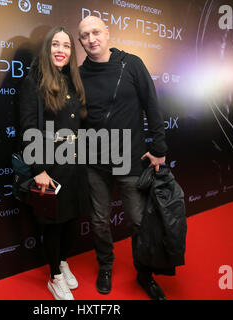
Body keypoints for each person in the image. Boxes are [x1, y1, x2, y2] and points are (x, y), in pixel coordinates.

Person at [78, 16, 168, 300]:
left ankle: (145, 273)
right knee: (99, 220)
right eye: (84, 35)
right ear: (80, 42)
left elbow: (152, 105)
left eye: (96, 32)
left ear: (107, 33)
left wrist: (160, 148)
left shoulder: (132, 64)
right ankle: (105, 264)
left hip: (130, 158)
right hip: (94, 160)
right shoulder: (78, 74)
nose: (91, 39)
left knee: (138, 221)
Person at [18, 26, 88, 300]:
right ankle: (55, 277)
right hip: (48, 167)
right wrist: (39, 170)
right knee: (53, 224)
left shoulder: (72, 81)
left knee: (70, 221)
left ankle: (62, 261)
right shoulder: (33, 82)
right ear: (47, 49)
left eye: (67, 46)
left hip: (73, 166)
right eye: (55, 45)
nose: (61, 50)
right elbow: (27, 129)